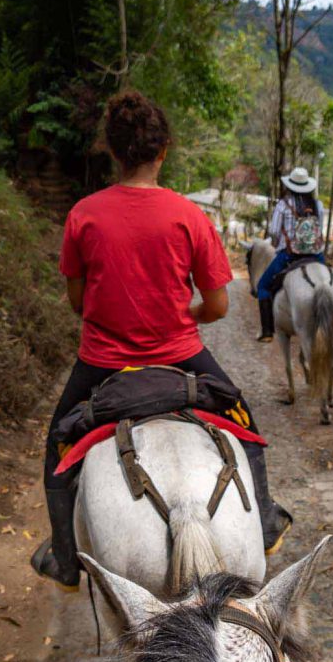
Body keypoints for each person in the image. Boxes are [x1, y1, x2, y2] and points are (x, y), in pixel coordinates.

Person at [31, 90, 291, 590]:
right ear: (164, 150)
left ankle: (65, 561)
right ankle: (265, 523)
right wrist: (182, 311)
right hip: (182, 357)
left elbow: (77, 302)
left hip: (102, 364)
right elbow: (217, 307)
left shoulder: (83, 215)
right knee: (243, 420)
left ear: (111, 151)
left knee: (58, 443)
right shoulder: (189, 216)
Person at [257, 167, 326, 342]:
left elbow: (273, 231)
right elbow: (320, 230)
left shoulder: (283, 204)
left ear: (290, 186)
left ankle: (266, 332)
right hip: (316, 255)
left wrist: (276, 243)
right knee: (327, 282)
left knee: (263, 286)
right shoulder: (318, 205)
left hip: (289, 255)